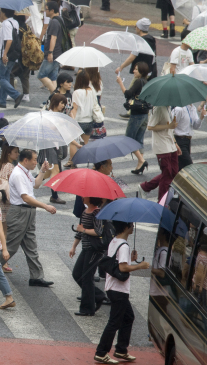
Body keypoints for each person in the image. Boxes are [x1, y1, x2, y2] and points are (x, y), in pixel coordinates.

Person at [93, 221, 149, 364]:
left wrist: (130, 259)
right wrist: (139, 266)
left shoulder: (115, 241)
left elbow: (116, 262)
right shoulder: (123, 245)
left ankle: (121, 350)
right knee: (114, 322)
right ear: (125, 227)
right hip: (119, 289)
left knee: (128, 317)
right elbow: (123, 268)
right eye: (131, 225)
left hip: (112, 287)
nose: (133, 227)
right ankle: (101, 352)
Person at [5, 149, 55, 287]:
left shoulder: (25, 171)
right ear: (25, 160)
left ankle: (36, 277)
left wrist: (42, 171)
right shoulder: (18, 174)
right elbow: (25, 197)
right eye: (34, 159)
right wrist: (45, 206)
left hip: (28, 212)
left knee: (31, 245)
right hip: (20, 212)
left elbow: (36, 185)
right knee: (11, 246)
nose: (36, 162)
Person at [69, 193, 107, 317]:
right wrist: (74, 246)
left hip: (94, 249)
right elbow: (80, 230)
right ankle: (98, 295)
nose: (82, 197)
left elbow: (98, 231)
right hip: (85, 248)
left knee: (86, 277)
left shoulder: (97, 213)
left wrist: (83, 230)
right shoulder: (85, 211)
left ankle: (87, 309)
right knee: (77, 274)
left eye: (84, 196)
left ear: (91, 198)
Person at [140, 106, 179, 202]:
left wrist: (175, 143)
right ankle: (161, 202)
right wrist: (168, 126)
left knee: (173, 173)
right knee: (167, 176)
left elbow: (170, 128)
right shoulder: (159, 108)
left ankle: (145, 187)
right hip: (162, 146)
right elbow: (150, 126)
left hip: (170, 144)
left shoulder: (168, 107)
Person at [117, 62, 150, 173]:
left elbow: (128, 94)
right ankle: (139, 165)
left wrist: (120, 82)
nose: (134, 71)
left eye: (136, 69)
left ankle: (142, 160)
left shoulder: (138, 81)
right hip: (145, 114)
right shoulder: (146, 82)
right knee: (139, 140)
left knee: (129, 139)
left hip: (136, 115)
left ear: (141, 72)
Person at [0, 9, 23, 109]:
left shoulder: (6, 24)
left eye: (0, 12)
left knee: (0, 78)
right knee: (5, 78)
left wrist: (4, 54)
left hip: (6, 54)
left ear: (4, 13)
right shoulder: (15, 22)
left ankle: (16, 95)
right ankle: (1, 101)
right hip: (14, 54)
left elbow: (9, 40)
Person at [38, 2, 69, 92]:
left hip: (53, 53)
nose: (45, 11)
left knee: (41, 75)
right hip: (58, 53)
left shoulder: (54, 22)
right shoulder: (60, 20)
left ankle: (56, 95)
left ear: (52, 10)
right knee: (53, 78)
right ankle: (54, 100)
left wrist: (50, 52)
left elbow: (53, 37)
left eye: (46, 9)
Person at [68, 70, 97, 164]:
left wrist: (72, 121)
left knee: (73, 143)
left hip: (79, 120)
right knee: (84, 144)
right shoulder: (92, 91)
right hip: (89, 121)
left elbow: (75, 108)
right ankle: (84, 161)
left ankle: (73, 163)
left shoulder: (76, 92)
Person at [172, 101, 204, 170]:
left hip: (187, 141)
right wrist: (174, 143)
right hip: (179, 141)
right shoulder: (179, 109)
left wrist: (201, 117)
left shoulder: (193, 108)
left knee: (181, 168)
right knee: (189, 166)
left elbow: (195, 126)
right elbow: (170, 127)